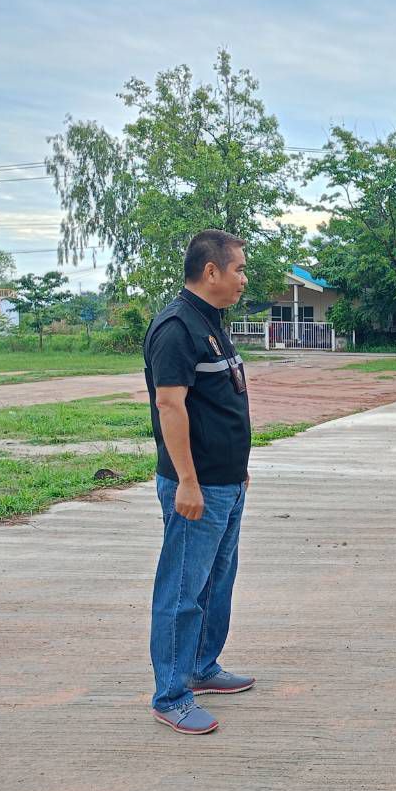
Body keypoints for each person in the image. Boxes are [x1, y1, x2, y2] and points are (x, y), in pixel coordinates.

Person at [142, 229, 258, 735]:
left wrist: (238, 467)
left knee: (215, 584)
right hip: (198, 487)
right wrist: (187, 480)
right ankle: (171, 694)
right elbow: (170, 406)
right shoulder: (176, 328)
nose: (244, 279)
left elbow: (220, 400)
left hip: (225, 482)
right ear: (211, 271)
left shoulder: (210, 323)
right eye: (239, 269)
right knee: (183, 591)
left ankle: (201, 667)